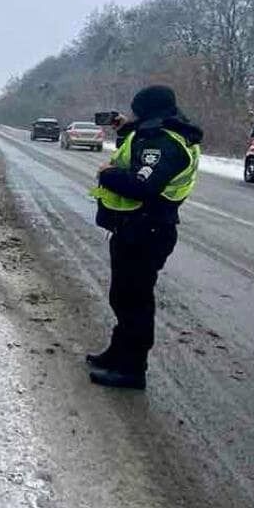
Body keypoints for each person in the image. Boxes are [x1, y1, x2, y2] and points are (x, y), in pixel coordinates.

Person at [87, 85, 202, 389]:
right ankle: (118, 352)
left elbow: (142, 184)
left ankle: (132, 369)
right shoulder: (158, 134)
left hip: (147, 230)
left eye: (139, 112)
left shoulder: (166, 143)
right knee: (123, 297)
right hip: (135, 228)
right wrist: (127, 131)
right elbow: (137, 159)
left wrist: (107, 174)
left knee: (135, 301)